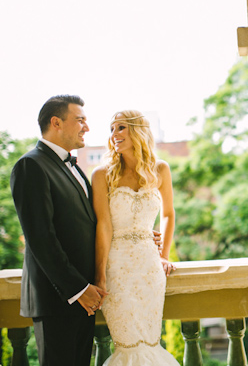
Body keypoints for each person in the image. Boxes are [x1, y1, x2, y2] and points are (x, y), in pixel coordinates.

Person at [10, 95, 108, 365]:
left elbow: (90, 224)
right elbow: (41, 239)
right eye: (80, 120)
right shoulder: (31, 166)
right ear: (56, 122)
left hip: (85, 298)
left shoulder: (74, 167)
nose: (86, 127)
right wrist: (78, 289)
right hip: (58, 299)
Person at [92, 110, 179, 365]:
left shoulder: (160, 169)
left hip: (149, 269)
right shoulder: (102, 174)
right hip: (117, 267)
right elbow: (104, 226)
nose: (114, 135)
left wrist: (163, 256)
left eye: (120, 128)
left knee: (150, 341)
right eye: (111, 129)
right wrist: (100, 276)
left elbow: (169, 214)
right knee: (128, 343)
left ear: (137, 130)